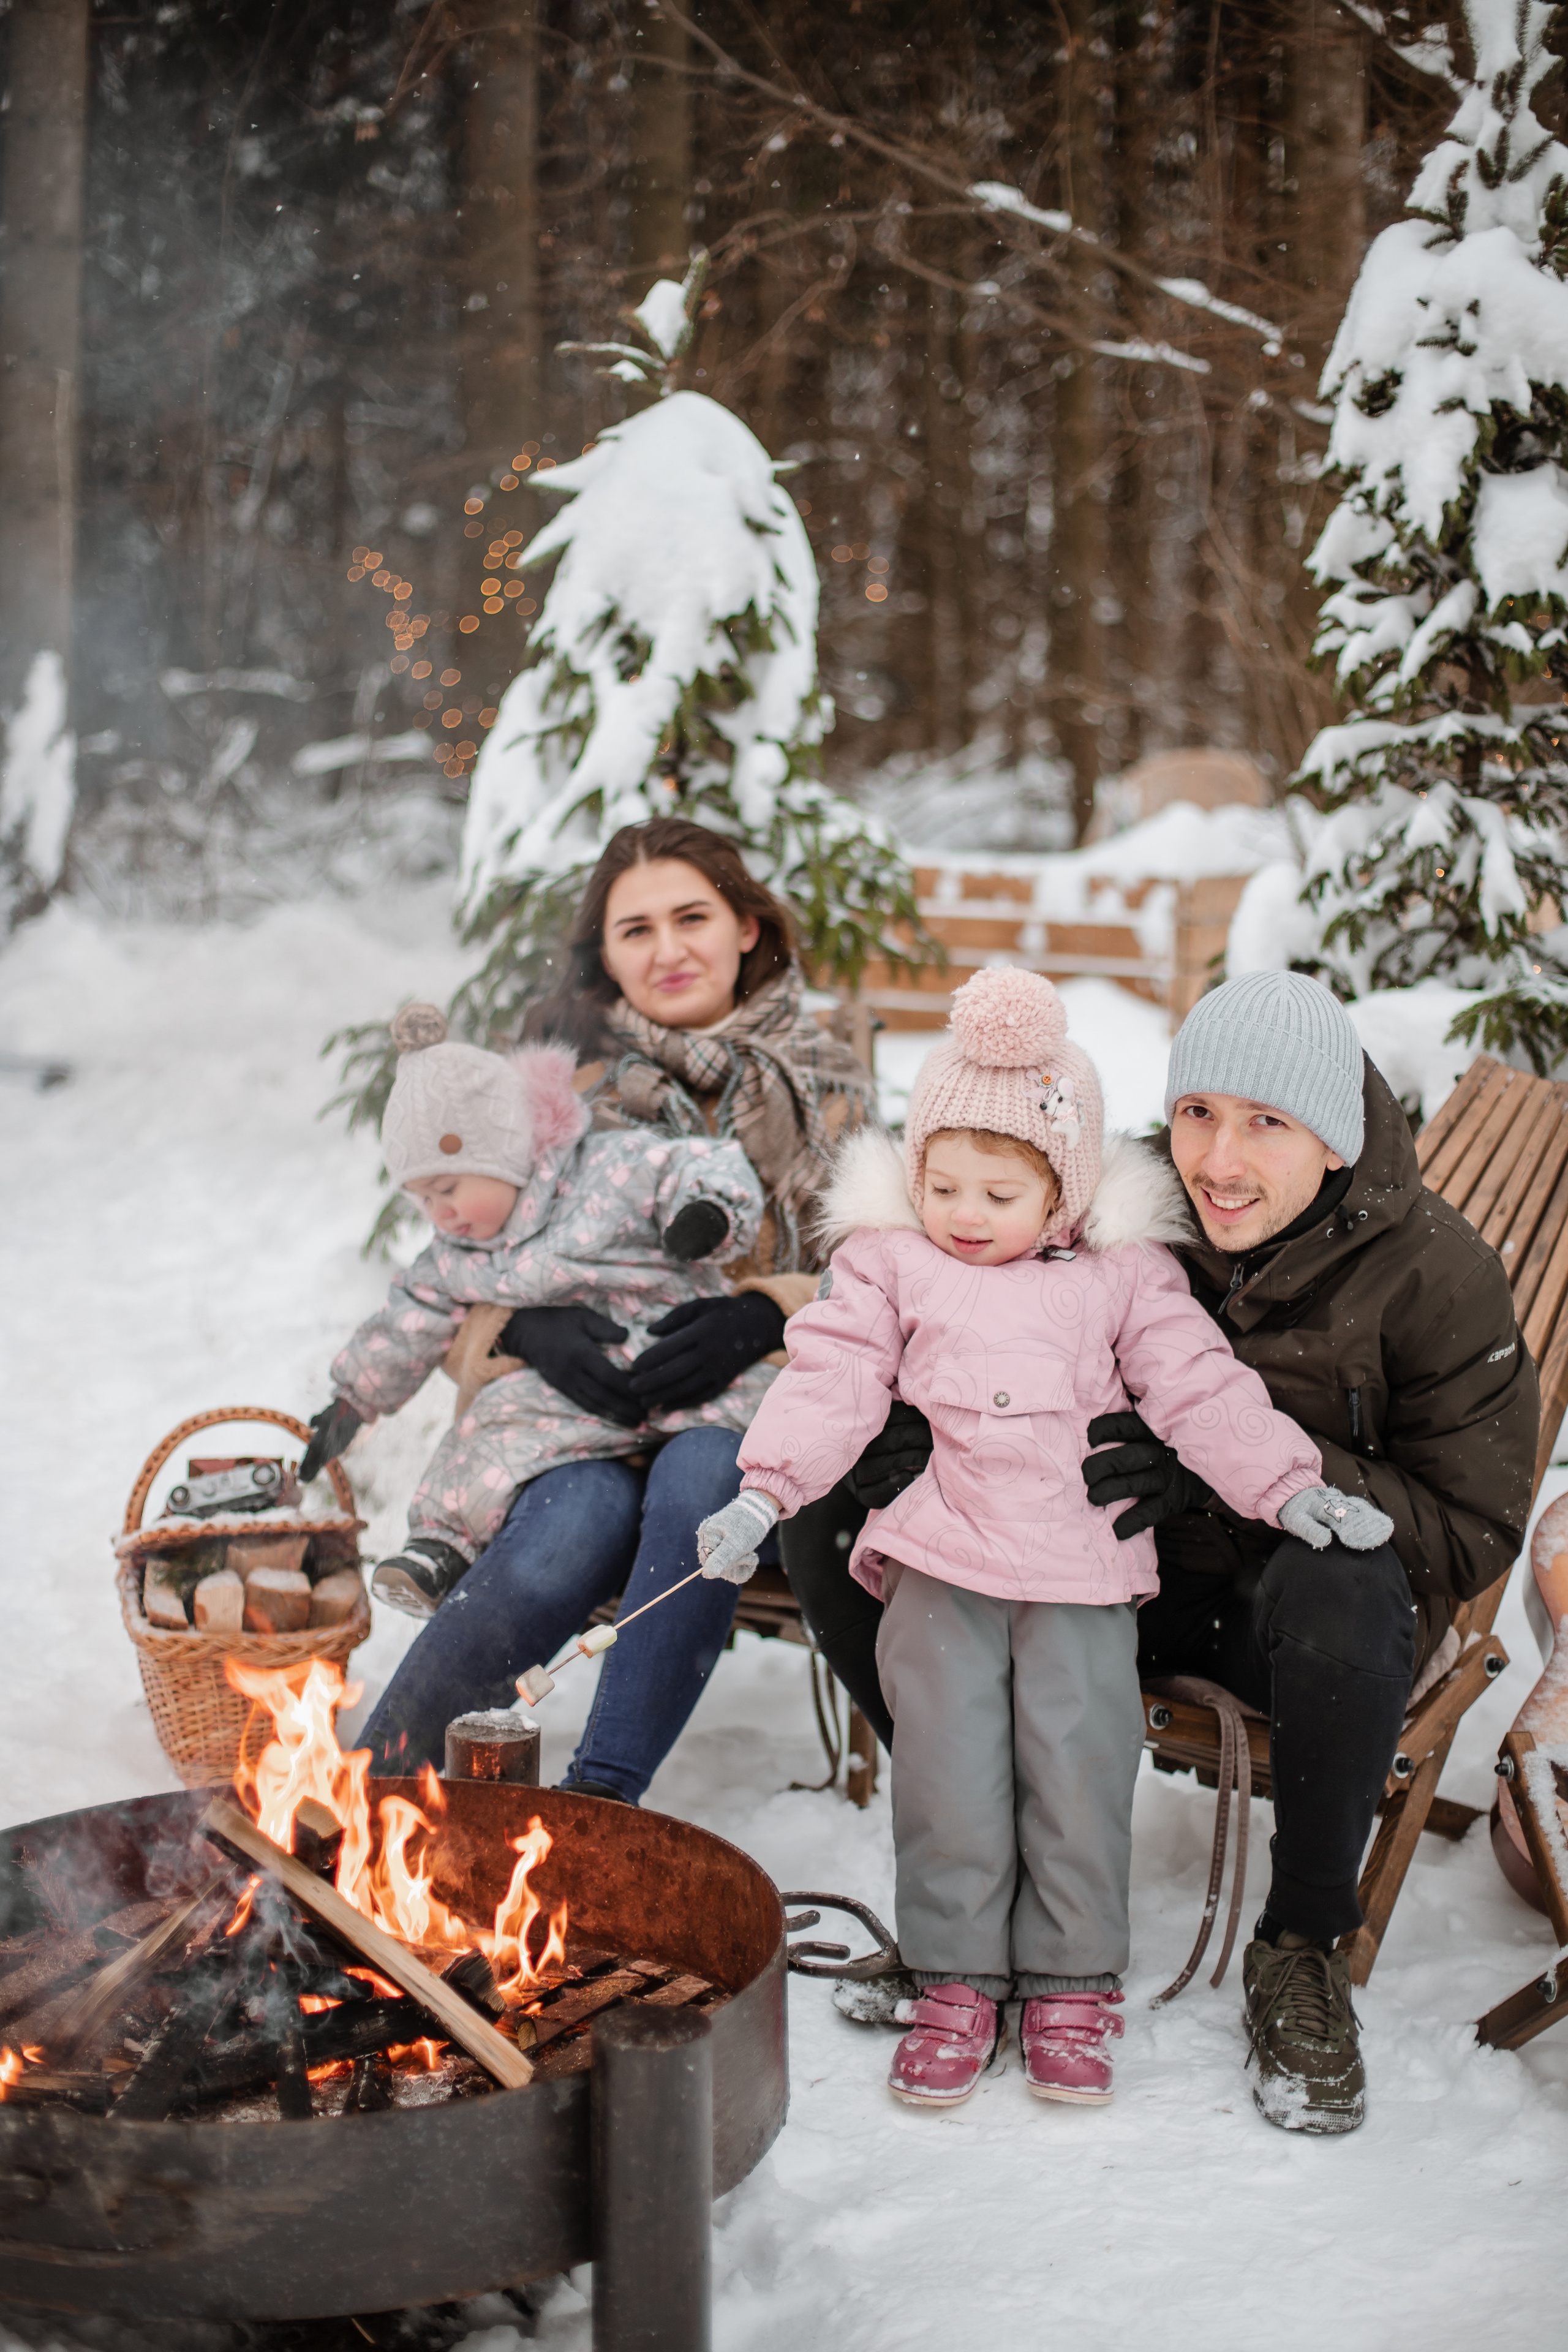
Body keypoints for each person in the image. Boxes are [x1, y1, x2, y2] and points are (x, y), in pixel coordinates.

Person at [828, 970, 1540, 2135]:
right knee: (841, 1511)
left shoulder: (1432, 1272)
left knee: (1343, 1579)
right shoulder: (1122, 1195)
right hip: (1101, 1570)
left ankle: (1303, 1945)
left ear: (1333, 1135)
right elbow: (936, 1249)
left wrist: (1215, 1474)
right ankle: (967, 1894)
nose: (1218, 1159)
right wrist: (915, 1411)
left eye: (1267, 1123)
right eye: (1199, 1112)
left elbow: (1470, 1530)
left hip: (1287, 1624)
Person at [692, 969, 1388, 2111]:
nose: (966, 1215)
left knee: (1078, 1765)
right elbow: (829, 1378)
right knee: (947, 1768)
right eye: (945, 1184)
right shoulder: (889, 1265)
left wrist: (1290, 1490)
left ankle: (1071, 1978)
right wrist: (762, 1495)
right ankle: (958, 1973)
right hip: (940, 1562)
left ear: (1063, 1196)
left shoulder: (1126, 1280)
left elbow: (1201, 1391)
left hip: (1082, 1571)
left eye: (1000, 1193)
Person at [355, 816, 875, 1800]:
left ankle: (601, 1808)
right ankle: (371, 1795)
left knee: (700, 1490)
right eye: (636, 929)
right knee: (568, 1526)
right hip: (570, 1416)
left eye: (692, 918)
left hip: (749, 1411)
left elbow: (883, 1269)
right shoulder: (552, 1084)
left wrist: (769, 1309)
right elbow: (457, 1262)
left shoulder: (828, 1082)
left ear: (748, 927)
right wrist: (519, 1331)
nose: (668, 950)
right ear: (604, 951)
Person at [300, 1003, 772, 1615]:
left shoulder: (610, 1167)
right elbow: (405, 1324)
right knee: (489, 1426)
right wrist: (352, 1400)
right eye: (421, 1198)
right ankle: (442, 1546)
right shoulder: (453, 1254)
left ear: (504, 1152)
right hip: (571, 1399)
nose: (440, 1212)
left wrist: (708, 1212)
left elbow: (704, 1162)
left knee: (779, 1404)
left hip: (684, 1359)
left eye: (448, 1188)